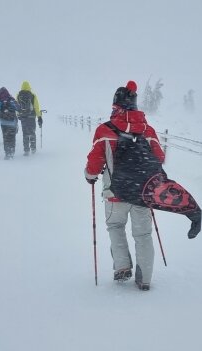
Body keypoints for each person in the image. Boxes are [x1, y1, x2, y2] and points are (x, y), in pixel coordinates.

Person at [84, 80, 165, 291]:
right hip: (142, 194)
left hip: (114, 192)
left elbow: (94, 163)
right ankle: (145, 278)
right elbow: (159, 158)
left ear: (115, 106)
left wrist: (89, 176)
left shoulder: (104, 130)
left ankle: (122, 267)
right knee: (143, 235)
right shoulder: (148, 130)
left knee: (115, 227)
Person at [16, 81, 43, 156]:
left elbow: (17, 107)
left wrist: (18, 115)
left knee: (25, 134)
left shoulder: (18, 95)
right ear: (29, 87)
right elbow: (36, 107)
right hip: (31, 117)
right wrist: (39, 117)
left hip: (23, 117)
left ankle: (26, 150)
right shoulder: (33, 95)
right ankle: (33, 149)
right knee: (32, 132)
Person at [0, 87, 20, 160]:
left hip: (3, 123)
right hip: (12, 122)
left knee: (5, 138)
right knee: (12, 137)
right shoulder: (11, 99)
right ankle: (12, 152)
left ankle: (7, 153)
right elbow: (18, 108)